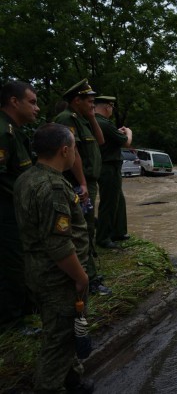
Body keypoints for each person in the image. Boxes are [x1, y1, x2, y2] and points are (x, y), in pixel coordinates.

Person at [13, 123, 94, 393]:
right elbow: (59, 245)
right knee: (59, 338)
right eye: (74, 148)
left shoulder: (27, 177)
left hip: (38, 271)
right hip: (58, 277)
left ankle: (71, 379)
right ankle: (49, 387)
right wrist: (81, 277)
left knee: (64, 329)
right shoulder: (53, 188)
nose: (75, 154)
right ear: (64, 150)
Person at [54, 79, 111, 296]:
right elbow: (73, 152)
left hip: (88, 182)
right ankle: (90, 279)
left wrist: (91, 117)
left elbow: (101, 140)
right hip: (79, 183)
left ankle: (90, 273)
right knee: (83, 229)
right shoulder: (66, 119)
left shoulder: (83, 119)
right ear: (76, 100)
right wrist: (83, 183)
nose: (93, 104)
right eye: (90, 101)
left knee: (87, 227)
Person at [0, 81, 39, 327]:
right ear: (15, 101)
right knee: (10, 263)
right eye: (32, 102)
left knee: (21, 259)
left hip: (16, 210)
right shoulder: (4, 132)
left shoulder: (16, 131)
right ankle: (10, 320)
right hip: (5, 212)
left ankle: (24, 308)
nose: (37, 108)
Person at [94, 96, 132, 248]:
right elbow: (126, 142)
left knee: (118, 199)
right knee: (109, 202)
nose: (112, 110)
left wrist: (116, 132)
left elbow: (109, 138)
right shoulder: (103, 122)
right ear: (107, 107)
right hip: (108, 166)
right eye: (111, 107)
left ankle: (118, 231)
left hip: (107, 165)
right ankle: (103, 237)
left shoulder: (96, 122)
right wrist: (128, 132)